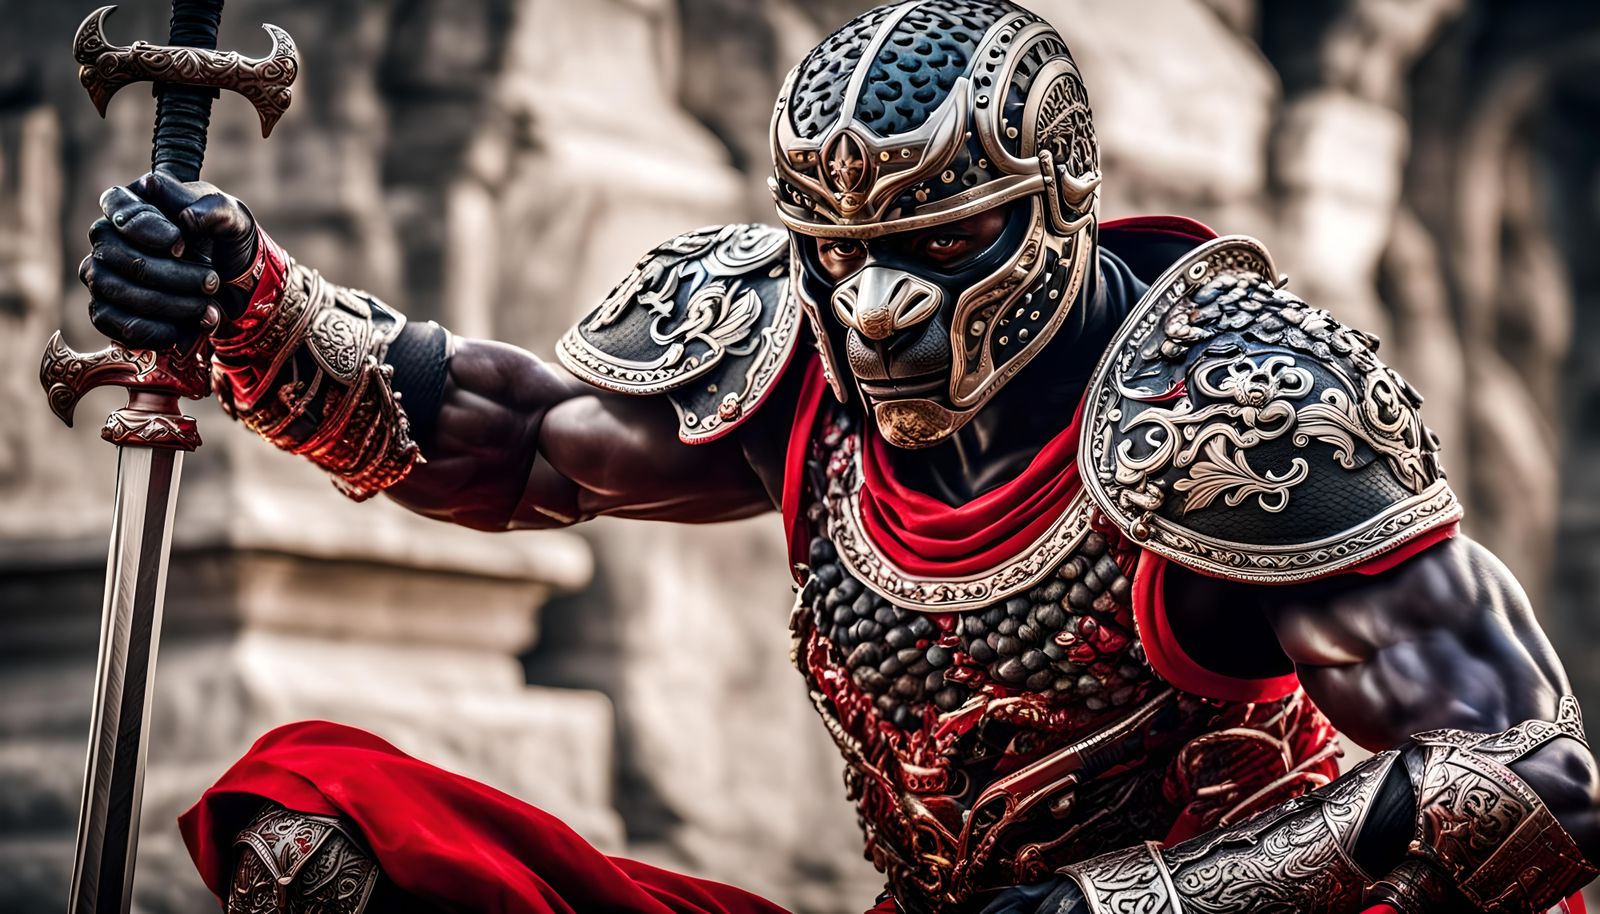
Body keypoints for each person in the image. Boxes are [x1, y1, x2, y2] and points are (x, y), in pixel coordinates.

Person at [77, 2, 1599, 912]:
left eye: (936, 249)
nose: (877, 309)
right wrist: (254, 308)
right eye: (840, 253)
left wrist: (1136, 901)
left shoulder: (1244, 408)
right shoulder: (795, 351)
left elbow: (1538, 776)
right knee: (318, 834)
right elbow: (527, 438)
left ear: (1058, 204)